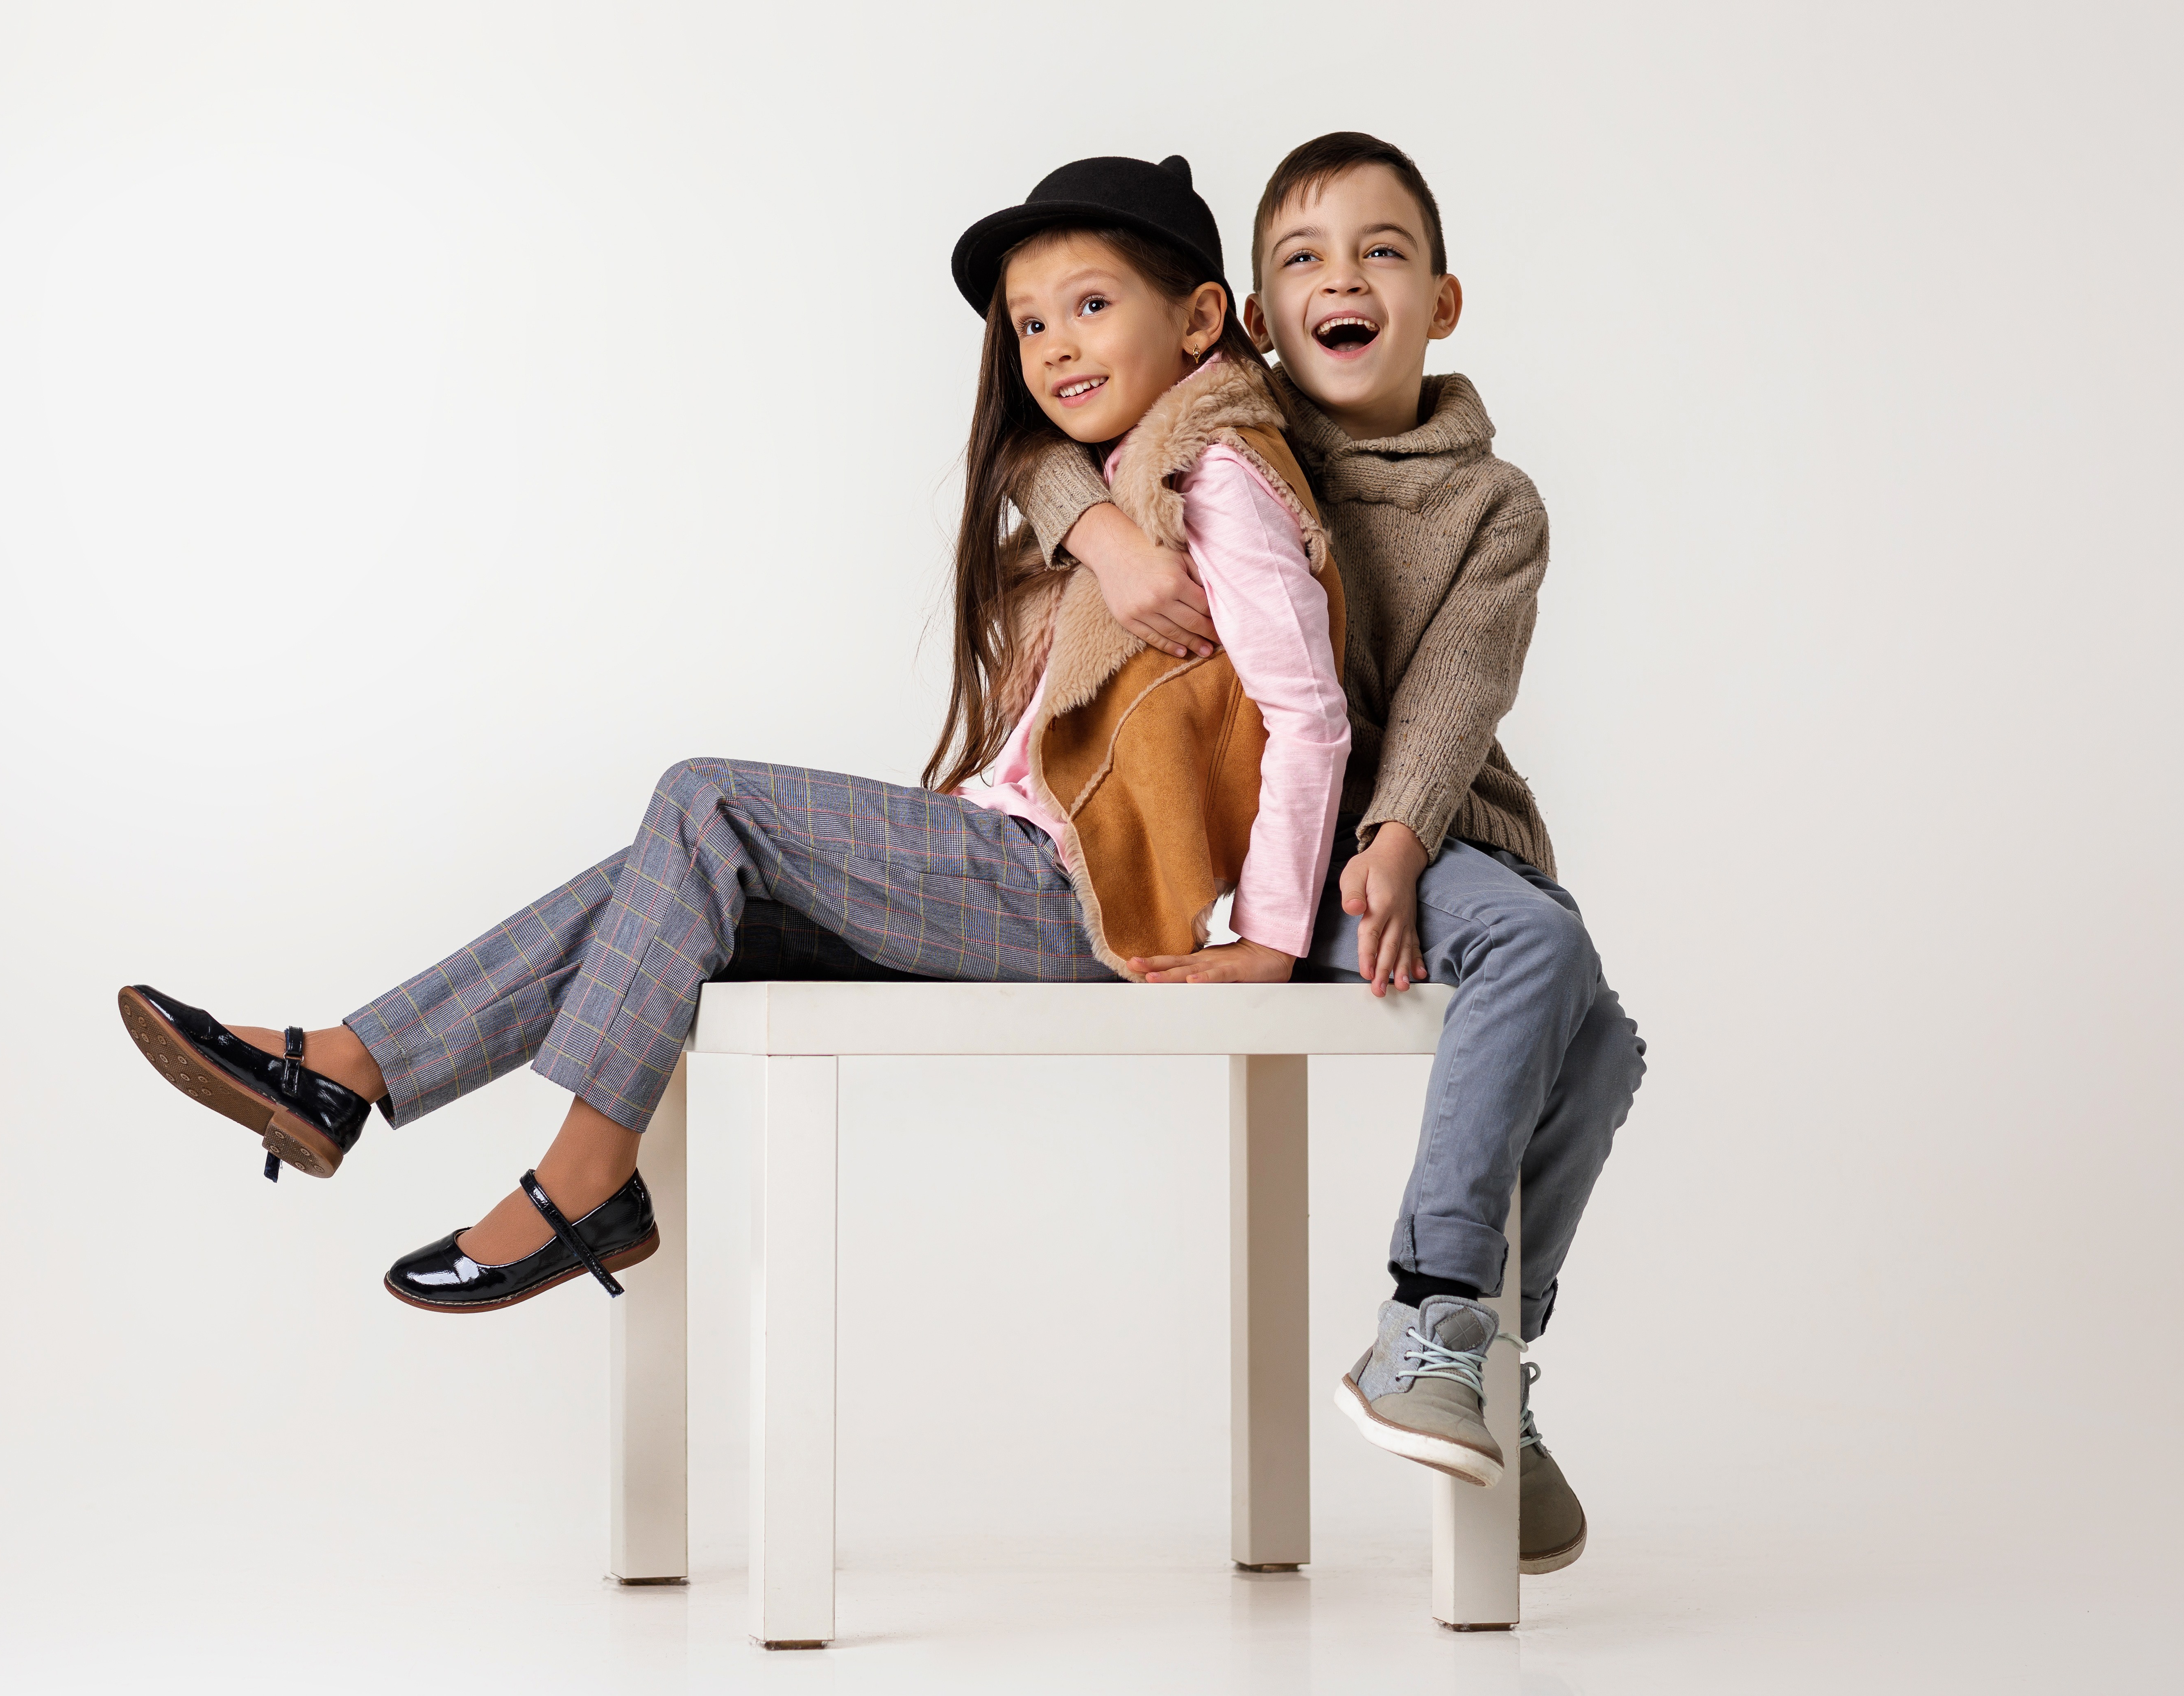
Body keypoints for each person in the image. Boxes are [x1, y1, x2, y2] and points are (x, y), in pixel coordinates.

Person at [117, 154, 1353, 1323]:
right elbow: (1038, 471)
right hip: (1017, 861)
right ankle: (348, 1064)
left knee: (709, 798)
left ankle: (583, 1181)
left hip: (1071, 898)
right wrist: (1099, 533)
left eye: (1089, 305)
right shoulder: (1132, 478)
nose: (1054, 345)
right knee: (653, 878)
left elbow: (1308, 709)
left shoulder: (1220, 479)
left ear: (1200, 323)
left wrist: (1273, 939)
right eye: (1030, 324)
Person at [1015, 133, 1647, 1576]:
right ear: (1247, 310)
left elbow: (1455, 686)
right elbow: (1044, 443)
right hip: (1280, 856)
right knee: (1543, 954)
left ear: (1443, 301)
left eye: (1380, 253)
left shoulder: (1494, 505)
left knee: (1603, 1046)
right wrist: (1106, 532)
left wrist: (1402, 824)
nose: (1340, 278)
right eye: (1300, 258)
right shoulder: (1226, 430)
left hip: (1418, 832)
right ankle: (1433, 1308)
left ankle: (1484, 1350)